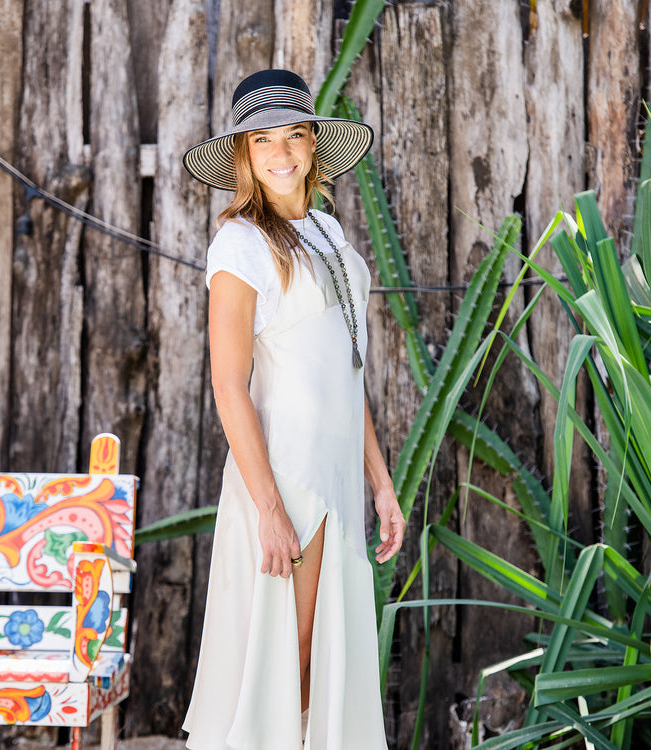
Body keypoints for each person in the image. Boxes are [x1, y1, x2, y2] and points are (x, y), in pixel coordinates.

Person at [181, 69, 406, 750]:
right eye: (263, 141)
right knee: (292, 658)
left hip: (336, 478)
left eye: (295, 136)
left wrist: (382, 485)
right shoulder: (240, 245)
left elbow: (348, 372)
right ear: (245, 157)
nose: (281, 154)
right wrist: (271, 509)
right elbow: (228, 385)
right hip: (286, 478)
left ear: (314, 145)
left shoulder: (330, 234)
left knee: (323, 655)